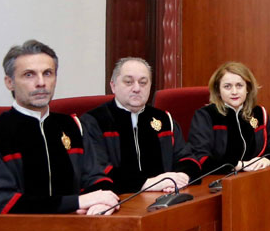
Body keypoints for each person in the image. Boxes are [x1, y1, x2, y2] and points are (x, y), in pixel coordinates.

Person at [0, 40, 119, 215]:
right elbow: (0, 202)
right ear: (9, 82)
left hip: (79, 223)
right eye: (29, 75)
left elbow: (95, 176)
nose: (41, 83)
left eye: (47, 73)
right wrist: (77, 202)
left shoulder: (72, 126)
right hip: (17, 230)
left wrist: (101, 202)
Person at [82, 57, 200, 194]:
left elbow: (187, 157)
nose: (137, 88)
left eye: (143, 82)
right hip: (121, 200)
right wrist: (148, 184)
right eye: (129, 82)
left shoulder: (163, 120)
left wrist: (181, 178)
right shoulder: (95, 121)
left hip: (167, 196)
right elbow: (97, 172)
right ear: (113, 86)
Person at [188, 61, 270, 173]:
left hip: (256, 176)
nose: (234, 92)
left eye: (239, 85)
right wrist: (240, 165)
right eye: (227, 86)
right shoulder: (205, 116)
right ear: (218, 90)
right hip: (220, 179)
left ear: (248, 88)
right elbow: (201, 158)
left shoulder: (259, 113)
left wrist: (268, 160)